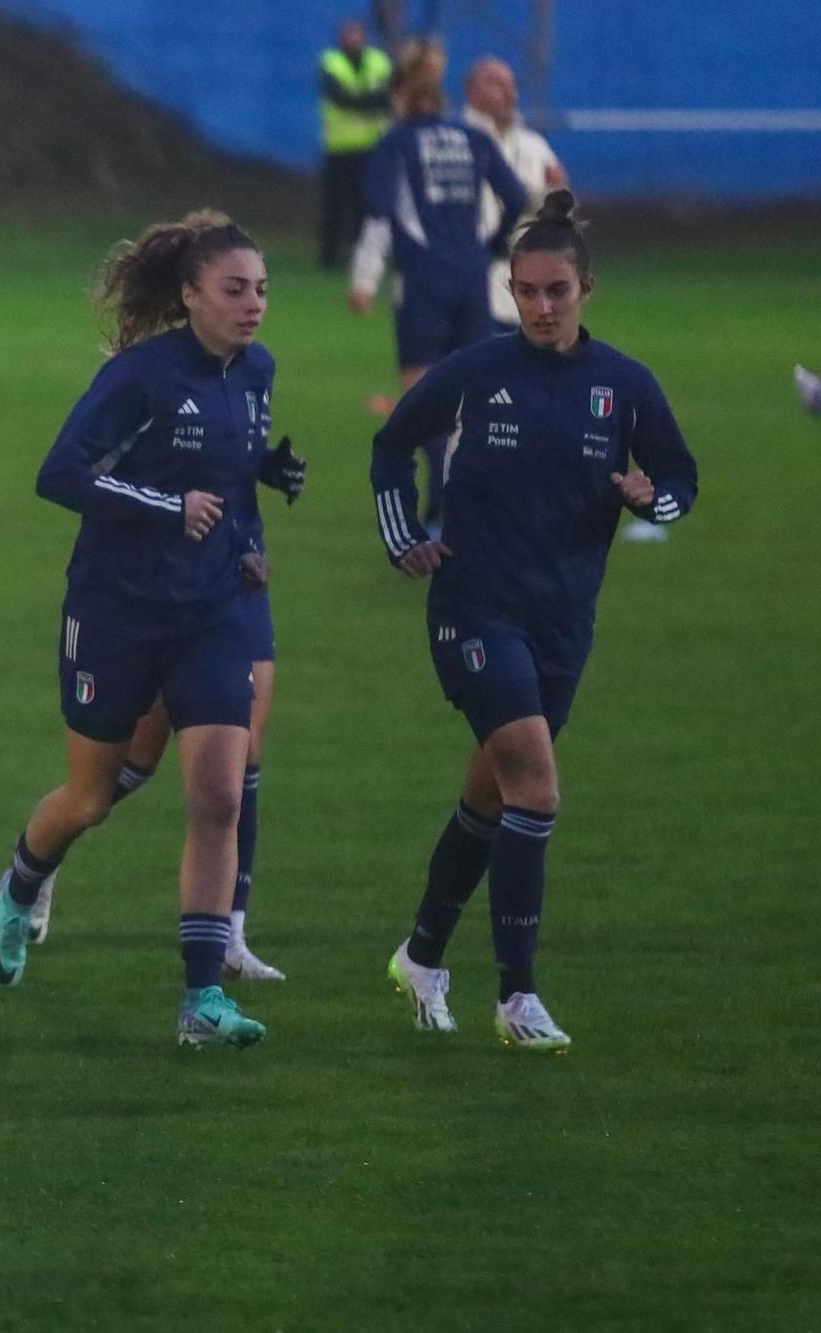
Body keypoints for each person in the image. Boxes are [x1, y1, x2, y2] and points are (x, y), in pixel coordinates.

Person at [372, 191, 699, 1052]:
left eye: (556, 291)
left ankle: (421, 957)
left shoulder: (625, 386)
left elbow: (680, 478)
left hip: (563, 624)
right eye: (526, 292)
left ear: (586, 287)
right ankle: (518, 998)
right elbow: (389, 444)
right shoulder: (478, 373)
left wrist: (651, 496)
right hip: (475, 611)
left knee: (490, 796)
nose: (541, 308)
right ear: (509, 291)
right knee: (536, 789)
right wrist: (404, 533)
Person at [0, 211, 300, 1049]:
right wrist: (169, 506)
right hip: (116, 608)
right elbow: (60, 473)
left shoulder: (257, 371)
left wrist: (259, 505)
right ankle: (22, 883)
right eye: (235, 289)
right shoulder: (141, 376)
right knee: (92, 796)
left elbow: (228, 475)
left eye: (262, 289)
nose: (253, 304)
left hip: (210, 611)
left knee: (219, 793)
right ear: (191, 294)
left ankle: (202, 1000)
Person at [17, 432, 306, 983]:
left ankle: (228, 939)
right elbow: (73, 472)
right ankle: (43, 852)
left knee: (241, 753)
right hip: (161, 583)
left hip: (237, 572)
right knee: (125, 770)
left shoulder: (250, 367)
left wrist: (265, 464)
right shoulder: (147, 380)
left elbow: (232, 444)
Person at [349, 40, 527, 529]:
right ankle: (472, 506)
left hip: (423, 284)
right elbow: (515, 195)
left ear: (400, 95)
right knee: (470, 401)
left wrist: (364, 279)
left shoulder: (396, 143)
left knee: (423, 403)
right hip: (473, 281)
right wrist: (491, 245)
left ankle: (441, 505)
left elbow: (381, 215)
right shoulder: (472, 138)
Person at [461, 57, 567, 335]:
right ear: (471, 92)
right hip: (471, 276)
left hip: (521, 278)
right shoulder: (458, 142)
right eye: (497, 85)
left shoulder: (534, 145)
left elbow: (559, 207)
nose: (510, 94)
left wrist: (554, 193)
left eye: (511, 86)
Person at [318, 19, 394, 270]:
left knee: (366, 204)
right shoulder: (331, 62)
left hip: (371, 147)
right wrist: (367, 102)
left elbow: (388, 96)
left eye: (357, 34)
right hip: (339, 146)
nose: (353, 39)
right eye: (348, 34)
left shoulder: (379, 61)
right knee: (335, 204)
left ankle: (360, 253)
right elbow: (339, 97)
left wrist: (358, 100)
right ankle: (329, 257)